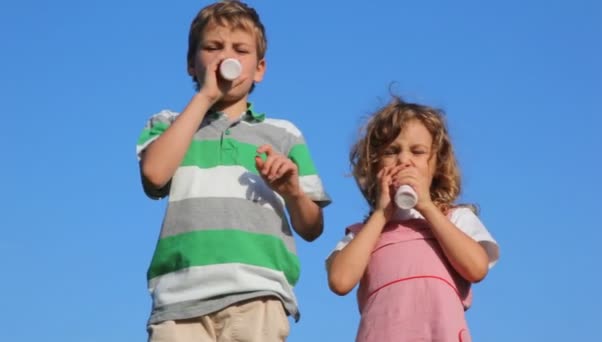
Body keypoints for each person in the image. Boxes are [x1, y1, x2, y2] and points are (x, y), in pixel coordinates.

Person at [135, 1, 331, 341]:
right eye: (212, 47)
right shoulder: (168, 124)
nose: (226, 57)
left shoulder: (284, 134)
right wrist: (206, 96)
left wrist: (292, 191)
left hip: (257, 292)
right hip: (180, 301)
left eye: (241, 50)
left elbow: (312, 228)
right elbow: (154, 175)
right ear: (190, 64)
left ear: (260, 69)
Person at [325, 96, 499, 341]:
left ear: (437, 164)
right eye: (392, 151)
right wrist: (380, 216)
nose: (404, 160)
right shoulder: (364, 233)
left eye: (418, 152)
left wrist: (427, 207)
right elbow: (340, 281)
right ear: (374, 166)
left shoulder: (455, 218)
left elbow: (477, 268)